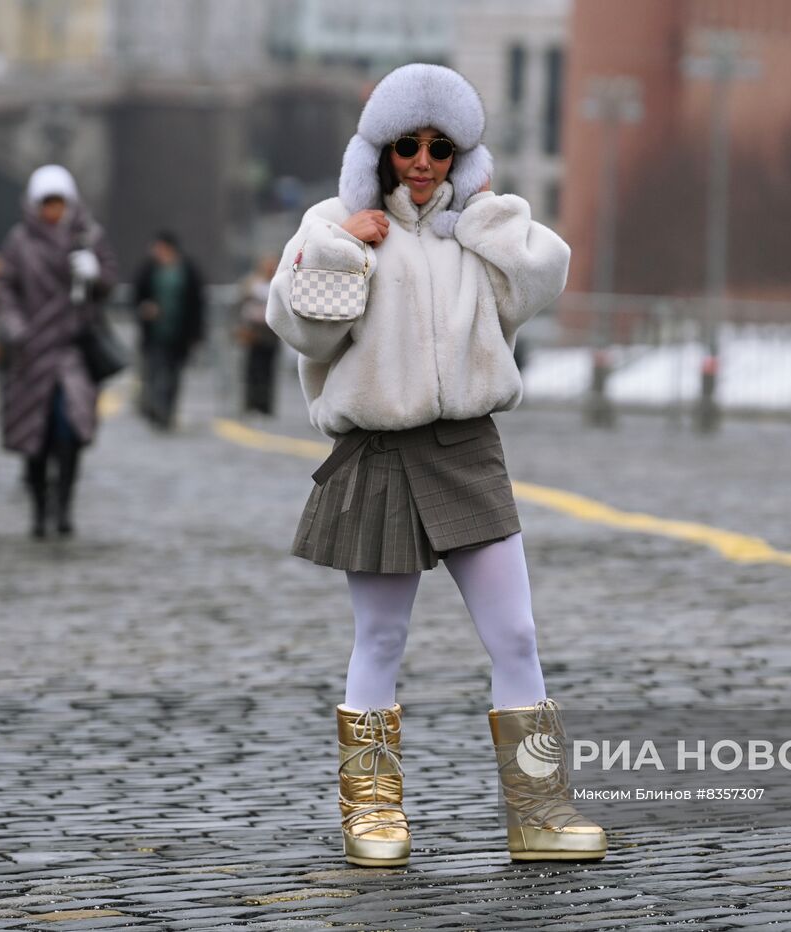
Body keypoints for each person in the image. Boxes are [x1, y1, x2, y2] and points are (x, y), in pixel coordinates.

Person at [265, 63, 603, 868]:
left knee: (515, 633)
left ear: (461, 154)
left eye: (442, 147)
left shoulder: (476, 229)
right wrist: (346, 245)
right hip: (377, 452)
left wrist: (481, 215)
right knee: (381, 637)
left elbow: (546, 274)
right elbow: (298, 326)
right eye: (407, 145)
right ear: (378, 151)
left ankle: (540, 812)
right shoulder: (333, 225)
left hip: (467, 447)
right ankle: (372, 815)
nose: (423, 162)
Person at [0, 165, 118, 538]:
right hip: (32, 352)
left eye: (59, 203)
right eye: (46, 203)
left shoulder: (87, 237)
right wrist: (16, 330)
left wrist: (95, 274)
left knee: (71, 430)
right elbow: (6, 290)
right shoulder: (19, 242)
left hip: (71, 351)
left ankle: (63, 503)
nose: (53, 211)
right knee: (36, 436)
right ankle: (38, 507)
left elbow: (109, 283)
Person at [133, 231, 205, 429]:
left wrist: (197, 334)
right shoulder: (148, 269)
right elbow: (137, 297)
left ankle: (167, 411)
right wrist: (145, 308)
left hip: (179, 333)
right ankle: (154, 408)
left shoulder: (188, 270)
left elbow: (197, 304)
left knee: (173, 374)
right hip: (154, 333)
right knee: (153, 371)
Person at [235, 254, 280, 416]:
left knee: (268, 370)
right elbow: (242, 307)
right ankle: (251, 402)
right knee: (253, 369)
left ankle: (264, 405)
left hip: (270, 333)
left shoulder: (278, 284)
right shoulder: (252, 284)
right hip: (253, 333)